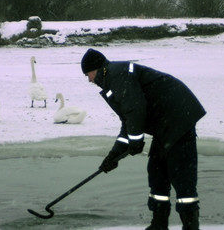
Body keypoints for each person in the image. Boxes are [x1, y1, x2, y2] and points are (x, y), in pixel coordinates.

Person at [81, 48, 206, 230]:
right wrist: (113, 156)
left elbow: (135, 109)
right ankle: (159, 224)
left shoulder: (118, 75)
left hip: (177, 118)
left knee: (182, 176)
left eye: (88, 74)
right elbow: (128, 120)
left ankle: (190, 226)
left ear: (97, 69)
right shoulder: (112, 79)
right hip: (164, 123)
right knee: (157, 171)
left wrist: (136, 142)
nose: (89, 80)